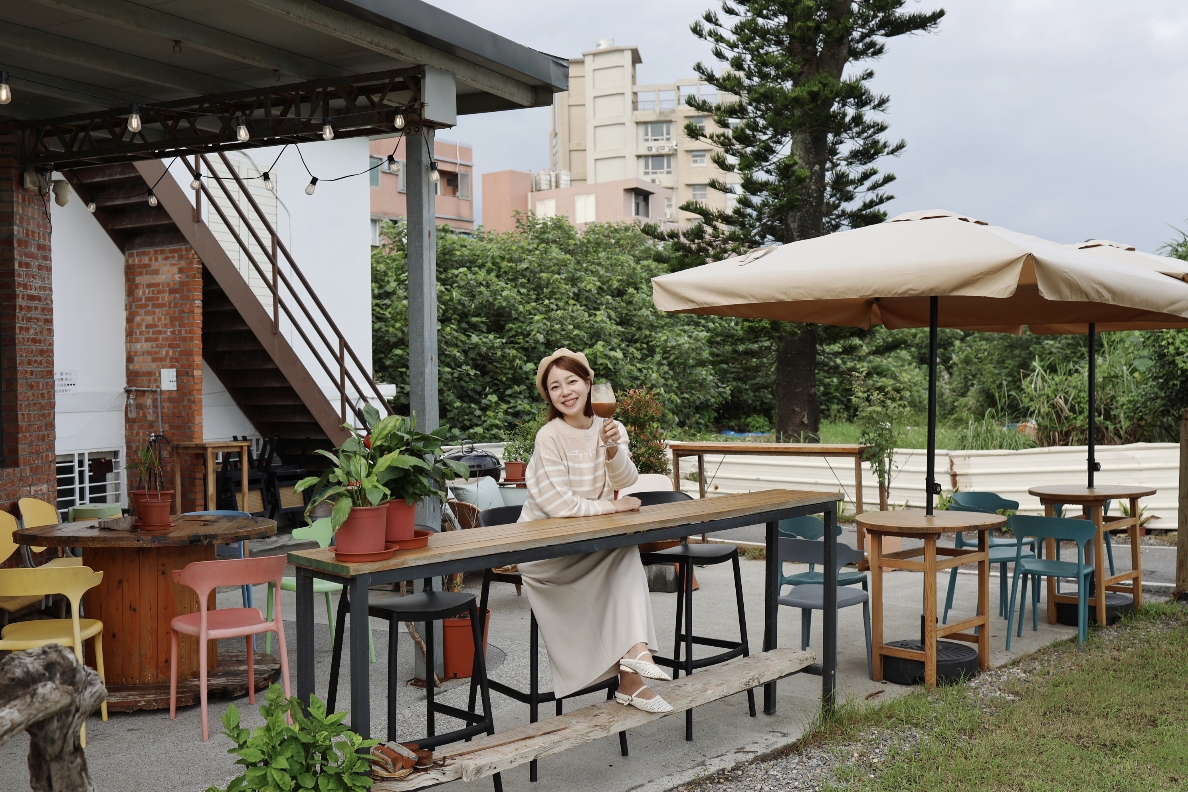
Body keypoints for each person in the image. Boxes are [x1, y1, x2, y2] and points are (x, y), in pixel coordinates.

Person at [515, 348, 672, 713]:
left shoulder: (608, 426)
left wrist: (614, 448)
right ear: (549, 396)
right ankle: (635, 663)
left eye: (572, 381)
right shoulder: (549, 436)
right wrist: (612, 506)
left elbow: (626, 479)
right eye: (555, 387)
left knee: (624, 552)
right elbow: (559, 505)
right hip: (545, 551)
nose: (565, 391)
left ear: (589, 383)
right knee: (621, 556)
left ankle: (633, 669)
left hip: (589, 542)